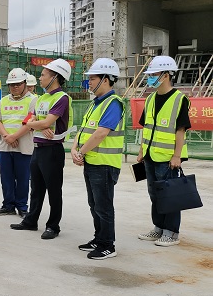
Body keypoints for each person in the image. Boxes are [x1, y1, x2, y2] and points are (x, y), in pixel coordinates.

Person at [11, 58, 73, 240]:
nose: (40, 78)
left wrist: (38, 124)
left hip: (52, 149)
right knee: (36, 188)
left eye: (43, 74)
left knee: (54, 190)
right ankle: (31, 221)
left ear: (55, 77)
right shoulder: (41, 98)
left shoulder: (61, 98)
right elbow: (29, 120)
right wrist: (39, 124)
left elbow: (43, 122)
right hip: (37, 148)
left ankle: (53, 226)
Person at [71, 59, 124, 259]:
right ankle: (99, 238)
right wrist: (75, 148)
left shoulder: (113, 103)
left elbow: (101, 133)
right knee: (94, 204)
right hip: (92, 161)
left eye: (92, 79)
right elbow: (83, 129)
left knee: (103, 206)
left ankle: (108, 245)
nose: (89, 83)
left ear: (106, 79)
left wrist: (81, 152)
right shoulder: (95, 103)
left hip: (104, 164)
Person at [136, 55, 191, 247]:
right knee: (154, 193)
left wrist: (177, 155)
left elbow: (180, 130)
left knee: (170, 195)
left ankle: (171, 232)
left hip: (168, 158)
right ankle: (158, 227)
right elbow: (146, 128)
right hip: (150, 155)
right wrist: (142, 151)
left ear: (166, 75)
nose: (150, 78)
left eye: (154, 74)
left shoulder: (179, 99)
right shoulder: (150, 99)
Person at [0, 68, 36, 218]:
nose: (15, 87)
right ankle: (8, 205)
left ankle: (22, 206)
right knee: (6, 178)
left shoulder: (33, 100)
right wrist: (7, 136)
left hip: (24, 147)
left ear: (25, 83)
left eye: (18, 84)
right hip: (5, 146)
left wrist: (14, 137)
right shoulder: (4, 100)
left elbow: (30, 123)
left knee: (23, 179)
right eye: (12, 84)